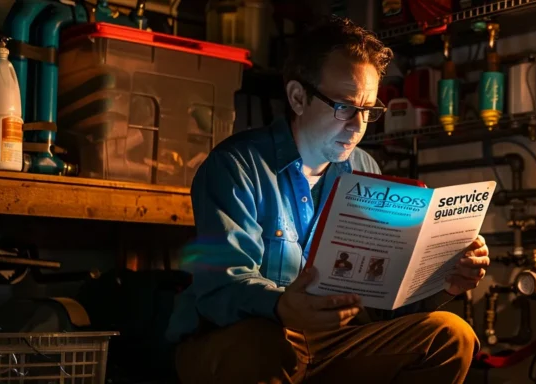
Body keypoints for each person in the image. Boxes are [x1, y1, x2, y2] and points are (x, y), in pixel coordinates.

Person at [167, 16, 489, 384]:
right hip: (241, 338)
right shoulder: (235, 166)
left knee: (451, 335)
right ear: (298, 98)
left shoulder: (365, 169)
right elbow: (220, 286)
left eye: (368, 110)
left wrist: (443, 281)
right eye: (345, 106)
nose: (357, 125)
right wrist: (281, 306)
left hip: (332, 343)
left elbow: (382, 299)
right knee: (264, 345)